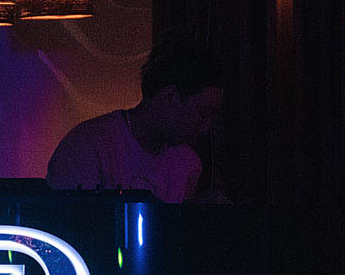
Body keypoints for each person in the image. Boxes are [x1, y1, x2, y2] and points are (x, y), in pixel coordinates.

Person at [45, 38, 224, 203]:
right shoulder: (87, 146)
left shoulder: (187, 163)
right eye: (203, 113)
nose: (205, 128)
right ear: (170, 97)